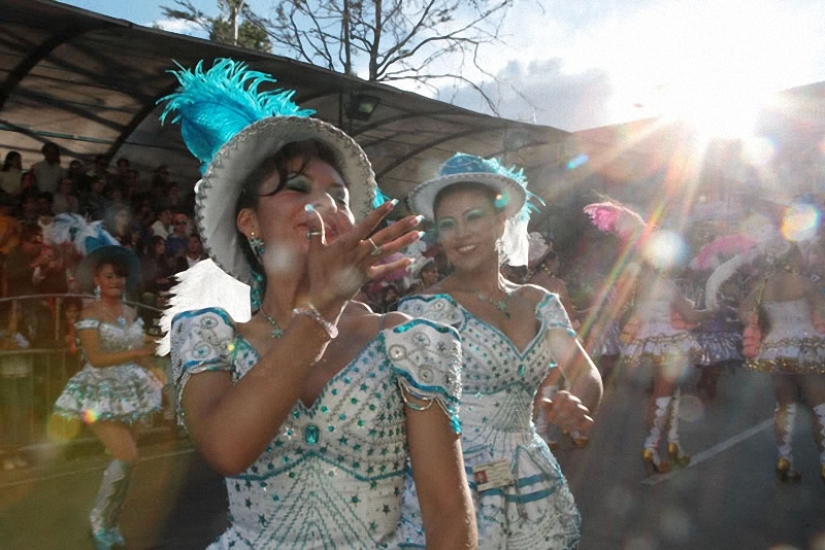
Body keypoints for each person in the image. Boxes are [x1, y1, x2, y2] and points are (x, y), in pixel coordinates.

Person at [162, 58, 477, 549]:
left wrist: (328, 305)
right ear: (249, 223)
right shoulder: (209, 338)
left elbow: (449, 519)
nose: (327, 205)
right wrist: (322, 309)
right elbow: (227, 448)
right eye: (297, 189)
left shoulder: (408, 341)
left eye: (339, 195)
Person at [399, 153, 603, 549]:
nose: (460, 233)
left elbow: (584, 372)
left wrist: (576, 405)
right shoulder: (421, 312)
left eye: (473, 217)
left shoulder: (539, 301)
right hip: (456, 488)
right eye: (447, 224)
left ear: (499, 222)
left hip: (532, 479)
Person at [53, 244, 162, 550]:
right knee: (127, 456)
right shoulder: (90, 313)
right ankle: (99, 520)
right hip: (98, 392)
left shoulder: (130, 312)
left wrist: (155, 369)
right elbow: (97, 358)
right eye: (109, 276)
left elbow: (142, 348)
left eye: (120, 276)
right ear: (97, 280)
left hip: (131, 391)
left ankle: (110, 523)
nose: (116, 281)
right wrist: (137, 351)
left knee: (128, 463)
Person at [739, 243, 825, 483]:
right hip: (805, 347)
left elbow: (744, 312)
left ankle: (784, 459)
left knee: (784, 406)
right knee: (820, 408)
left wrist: (760, 323)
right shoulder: (805, 283)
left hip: (776, 348)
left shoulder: (762, 287)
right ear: (795, 259)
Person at [618, 260, 712, 474]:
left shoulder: (638, 283)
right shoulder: (665, 284)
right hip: (668, 342)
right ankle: (650, 447)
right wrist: (711, 312)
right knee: (661, 398)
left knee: (668, 394)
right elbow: (690, 315)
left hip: (648, 340)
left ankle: (673, 444)